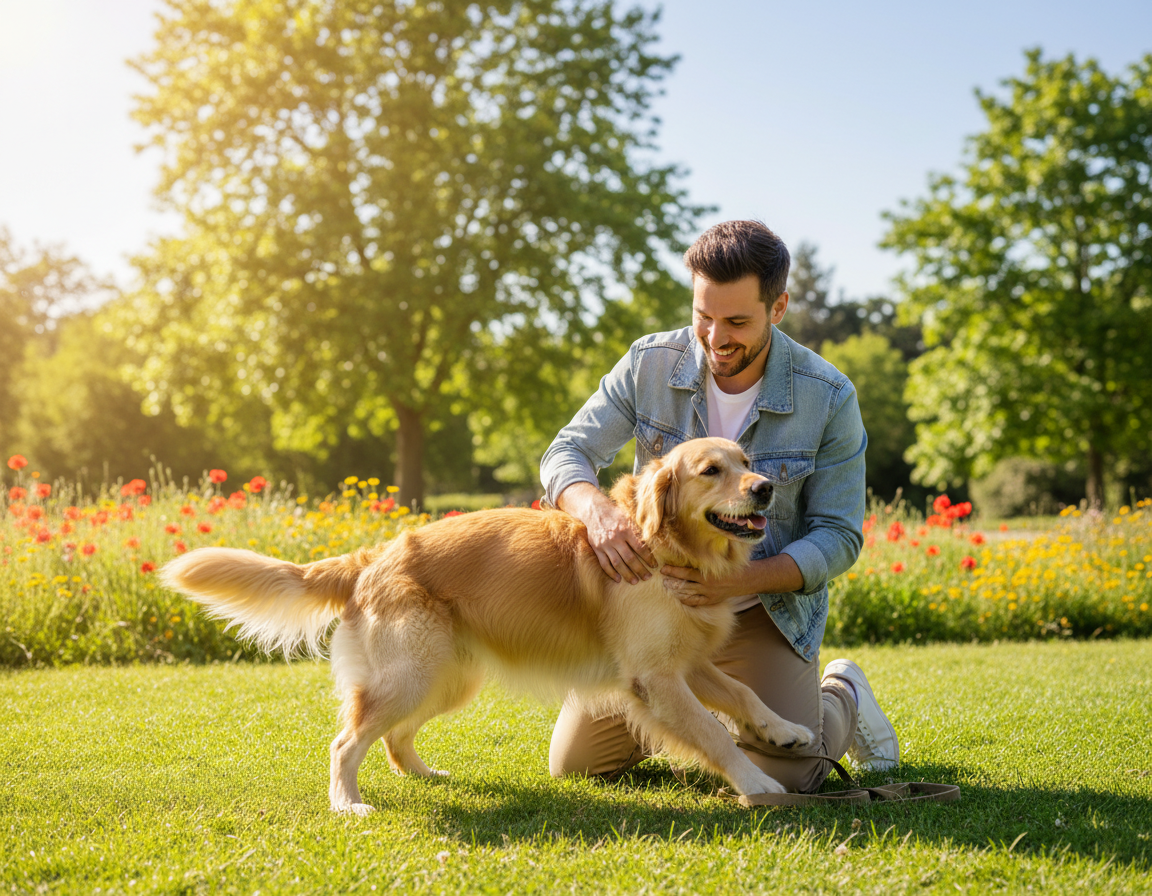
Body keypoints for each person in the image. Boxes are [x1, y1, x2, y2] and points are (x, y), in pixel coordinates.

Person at [538, 220, 898, 793]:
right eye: (703, 316)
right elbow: (567, 452)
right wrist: (597, 513)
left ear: (777, 308)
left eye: (737, 321)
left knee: (796, 774)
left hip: (761, 610)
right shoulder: (649, 363)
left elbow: (838, 535)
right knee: (578, 764)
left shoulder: (828, 396)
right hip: (652, 608)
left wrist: (737, 582)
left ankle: (842, 695)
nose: (715, 337)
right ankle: (693, 709)